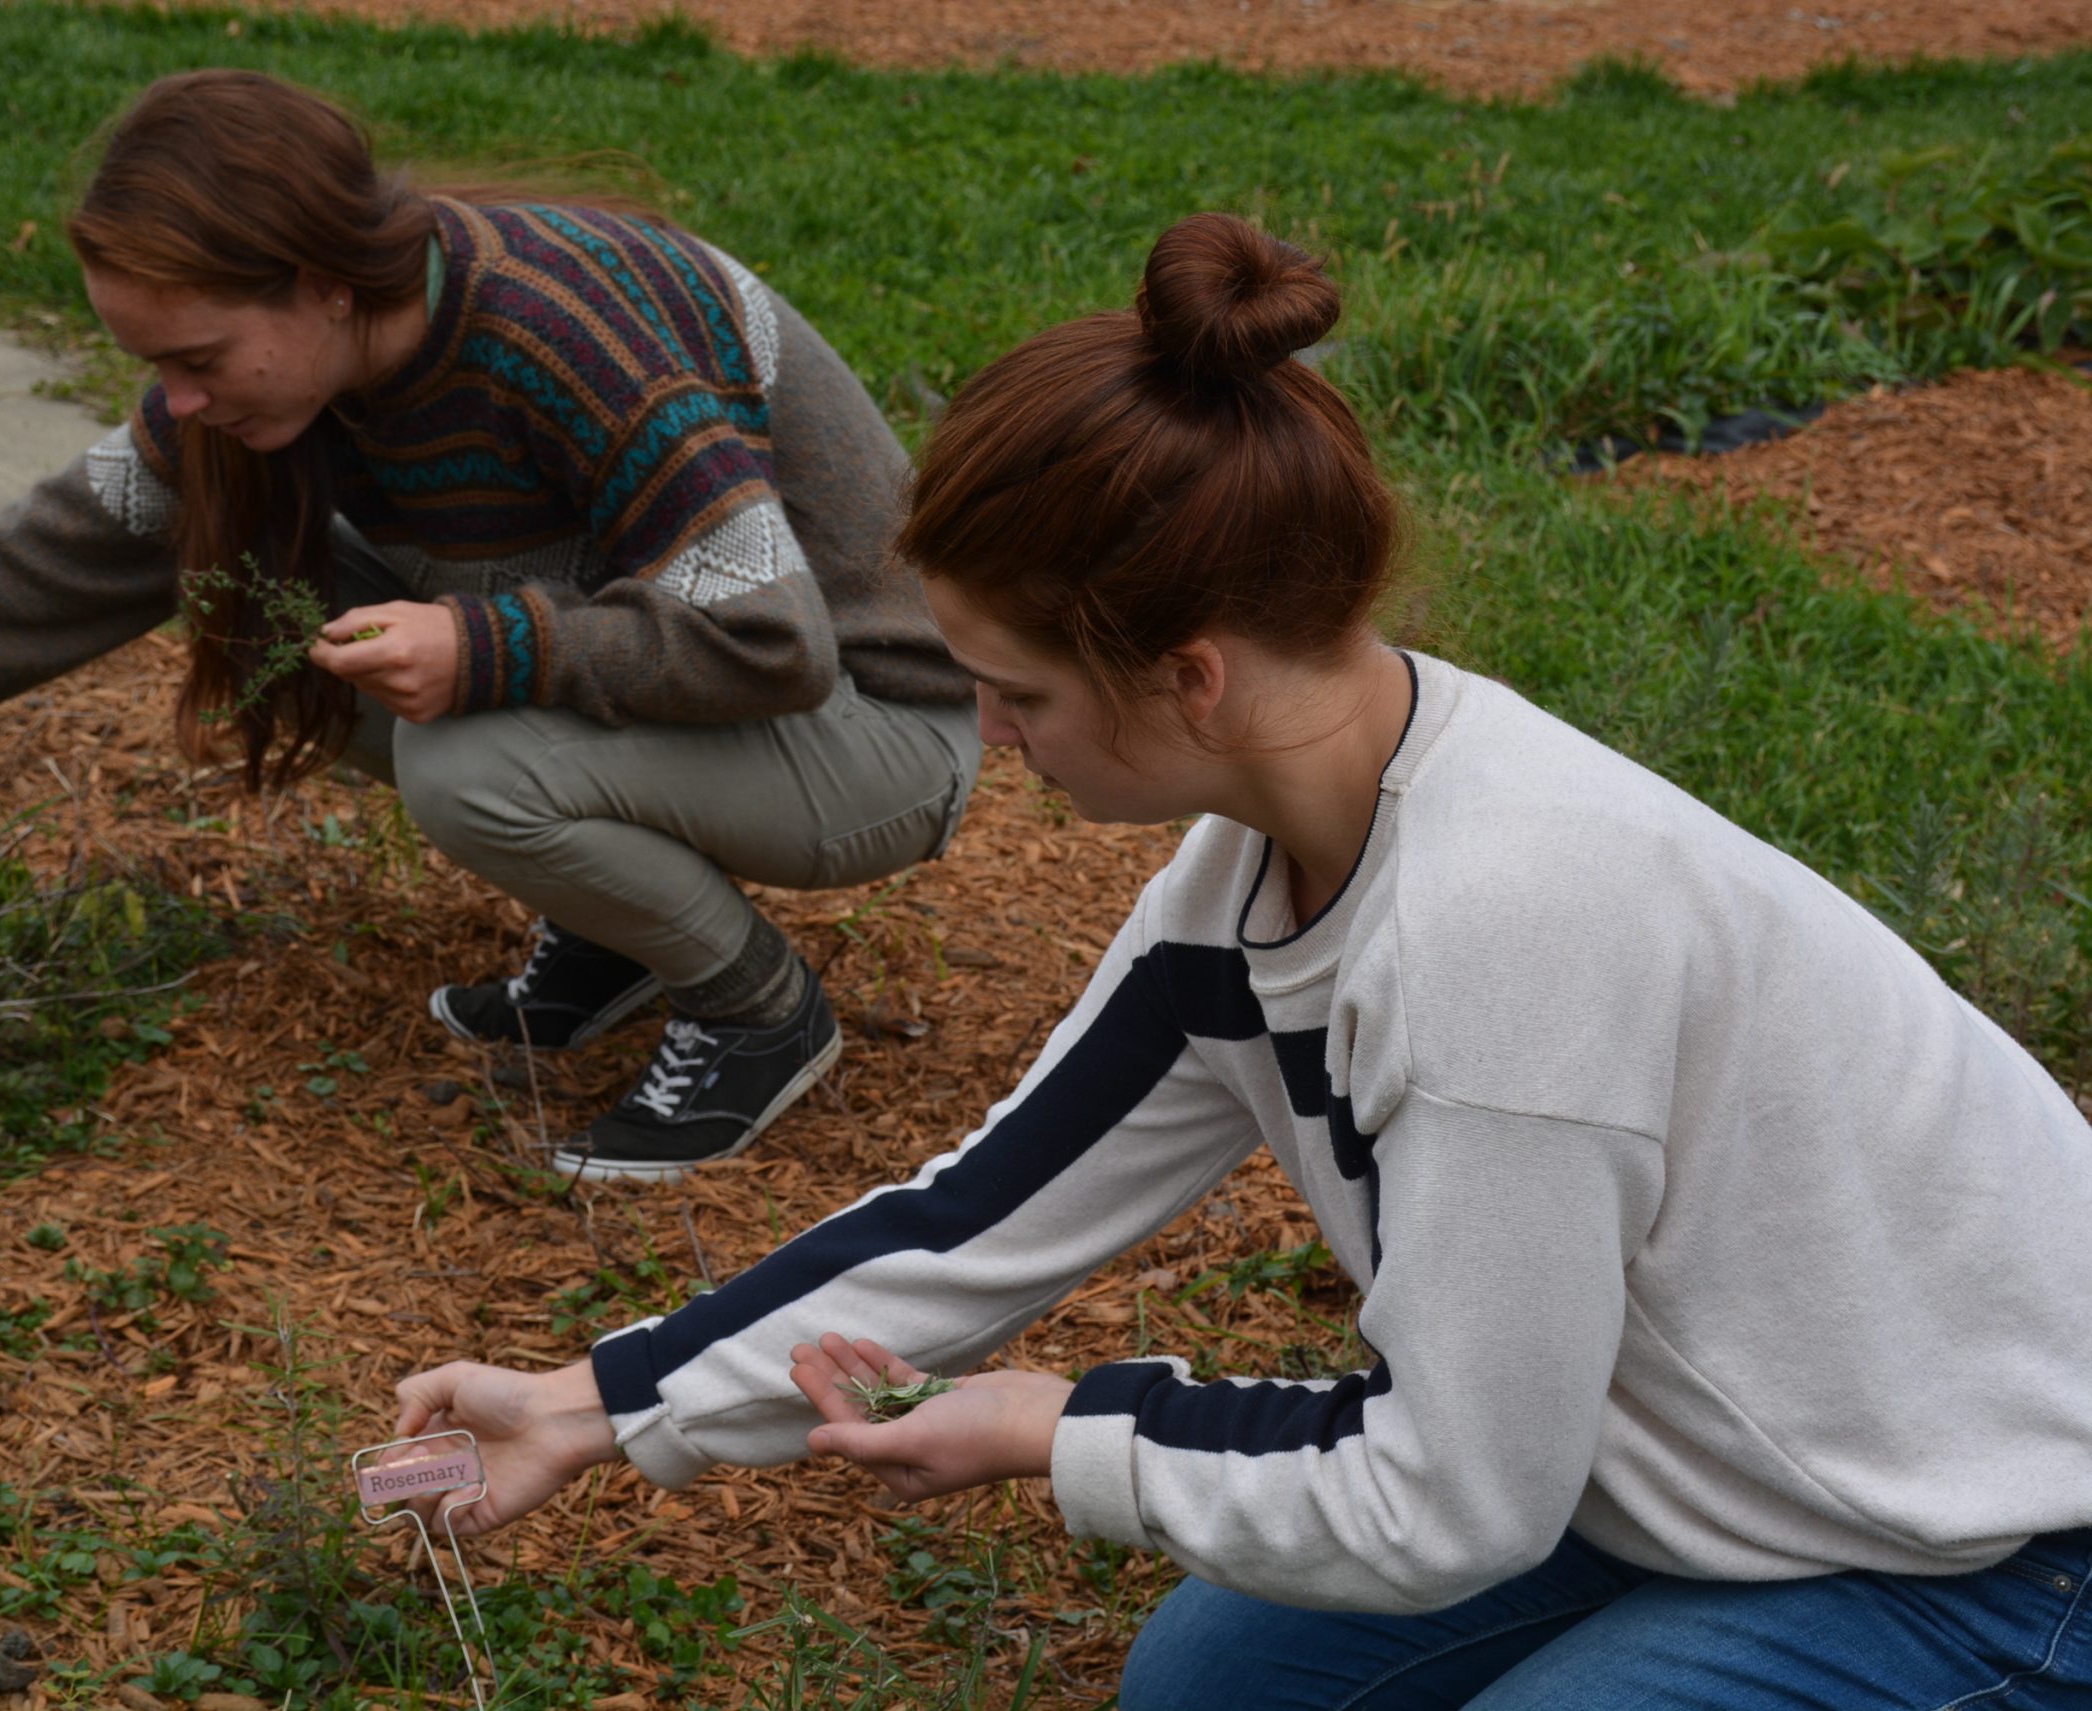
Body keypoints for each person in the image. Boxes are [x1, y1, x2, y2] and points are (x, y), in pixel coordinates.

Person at [389, 213, 2092, 1706]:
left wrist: (1065, 1433)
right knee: (1214, 1679)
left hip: (1985, 1534)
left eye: (1022, 692)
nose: (989, 731)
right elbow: (981, 1209)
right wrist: (596, 1405)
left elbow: (1454, 1507)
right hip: (1680, 1469)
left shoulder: (1508, 929)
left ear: (1187, 678)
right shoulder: (1259, 868)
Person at [0, 70, 980, 1181]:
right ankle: (623, 929)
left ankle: (758, 1014)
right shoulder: (312, 371)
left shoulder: (562, 332)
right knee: (268, 610)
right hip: (734, 703)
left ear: (327, 285)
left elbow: (774, 640)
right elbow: (58, 550)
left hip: (870, 732)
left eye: (199, 359)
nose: (180, 401)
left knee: (464, 753)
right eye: (155, 364)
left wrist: (493, 650)